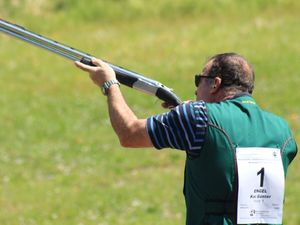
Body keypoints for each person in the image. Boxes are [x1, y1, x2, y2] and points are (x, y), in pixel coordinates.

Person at [75, 52, 297, 225]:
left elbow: (129, 133)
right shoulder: (282, 130)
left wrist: (109, 84)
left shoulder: (196, 118)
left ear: (216, 83)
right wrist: (186, 116)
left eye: (199, 79)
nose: (195, 88)